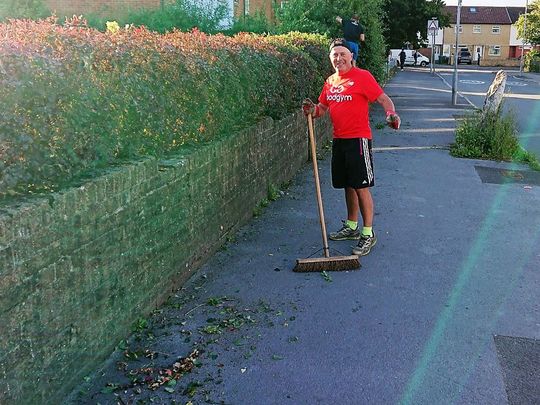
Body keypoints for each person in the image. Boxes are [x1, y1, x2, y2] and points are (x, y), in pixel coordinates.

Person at [302, 38, 401, 256]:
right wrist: (311, 110)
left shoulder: (362, 77)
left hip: (359, 140)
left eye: (342, 54)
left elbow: (383, 99)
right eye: (334, 55)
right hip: (339, 140)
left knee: (360, 186)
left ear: (351, 56)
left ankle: (368, 233)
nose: (338, 58)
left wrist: (391, 114)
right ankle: (352, 226)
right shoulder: (330, 82)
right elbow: (322, 108)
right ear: (331, 58)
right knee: (347, 184)